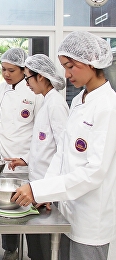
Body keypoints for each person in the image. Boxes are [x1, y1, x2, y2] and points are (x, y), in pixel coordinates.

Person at [12, 31, 116, 260]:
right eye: (64, 66)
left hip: (91, 218)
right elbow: (62, 153)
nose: (66, 74)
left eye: (70, 66)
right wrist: (45, 190)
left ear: (92, 60)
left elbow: (95, 171)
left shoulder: (108, 106)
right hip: (68, 209)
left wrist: (40, 190)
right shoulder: (79, 100)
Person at [0, 47, 43, 260]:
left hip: (26, 164)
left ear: (24, 70)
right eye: (3, 69)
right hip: (2, 164)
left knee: (31, 211)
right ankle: (10, 250)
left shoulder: (35, 93)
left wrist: (30, 159)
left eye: (11, 70)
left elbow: (41, 131)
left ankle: (36, 254)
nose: (5, 74)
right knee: (7, 208)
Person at [5, 54, 69, 260]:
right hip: (38, 187)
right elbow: (43, 145)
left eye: (28, 78)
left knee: (45, 248)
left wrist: (49, 192)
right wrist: (26, 159)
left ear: (40, 77)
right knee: (36, 246)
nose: (27, 84)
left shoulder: (56, 105)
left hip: (47, 191)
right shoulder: (46, 102)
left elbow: (63, 151)